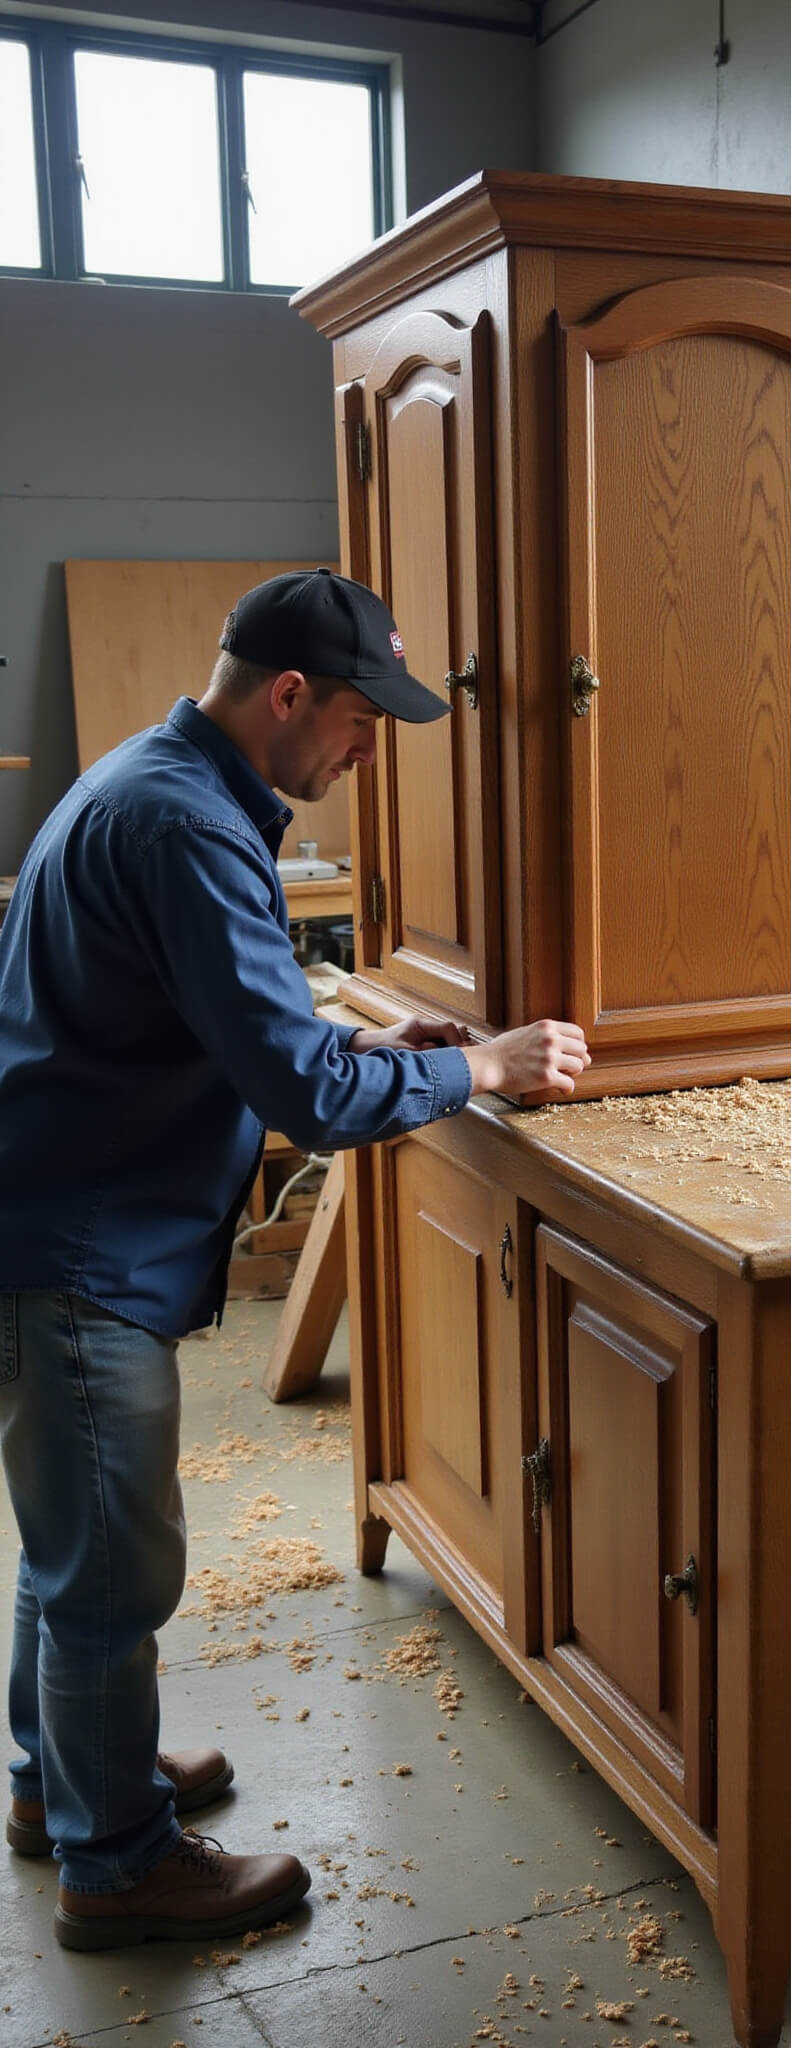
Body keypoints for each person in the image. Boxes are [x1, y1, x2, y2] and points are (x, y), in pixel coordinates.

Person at [0, 566, 589, 1951]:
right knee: (110, 1574)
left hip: (56, 1212)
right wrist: (487, 1067)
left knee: (65, 1547)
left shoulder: (146, 778)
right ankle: (118, 1864)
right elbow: (301, 1098)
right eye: (358, 717)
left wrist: (388, 1056)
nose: (366, 747)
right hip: (82, 1248)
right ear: (286, 696)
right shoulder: (187, 826)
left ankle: (59, 1787)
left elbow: (228, 1023)